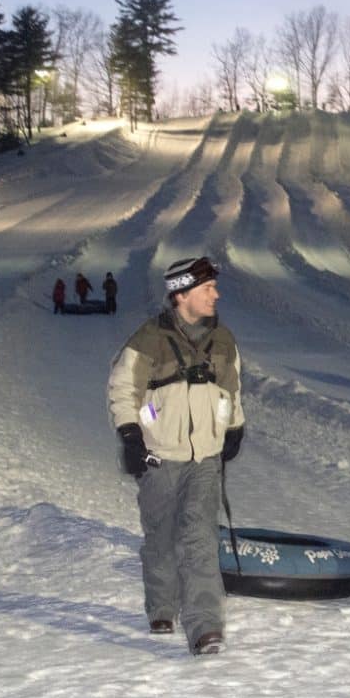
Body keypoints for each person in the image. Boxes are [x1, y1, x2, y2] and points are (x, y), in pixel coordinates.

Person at [107, 256, 245, 656]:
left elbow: (232, 391)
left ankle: (204, 627)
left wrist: (234, 426)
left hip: (205, 458)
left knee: (200, 537)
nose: (216, 294)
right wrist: (132, 436)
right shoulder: (147, 339)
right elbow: (122, 390)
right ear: (181, 294)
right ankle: (162, 607)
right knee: (161, 537)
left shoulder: (224, 340)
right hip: (159, 456)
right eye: (207, 289)